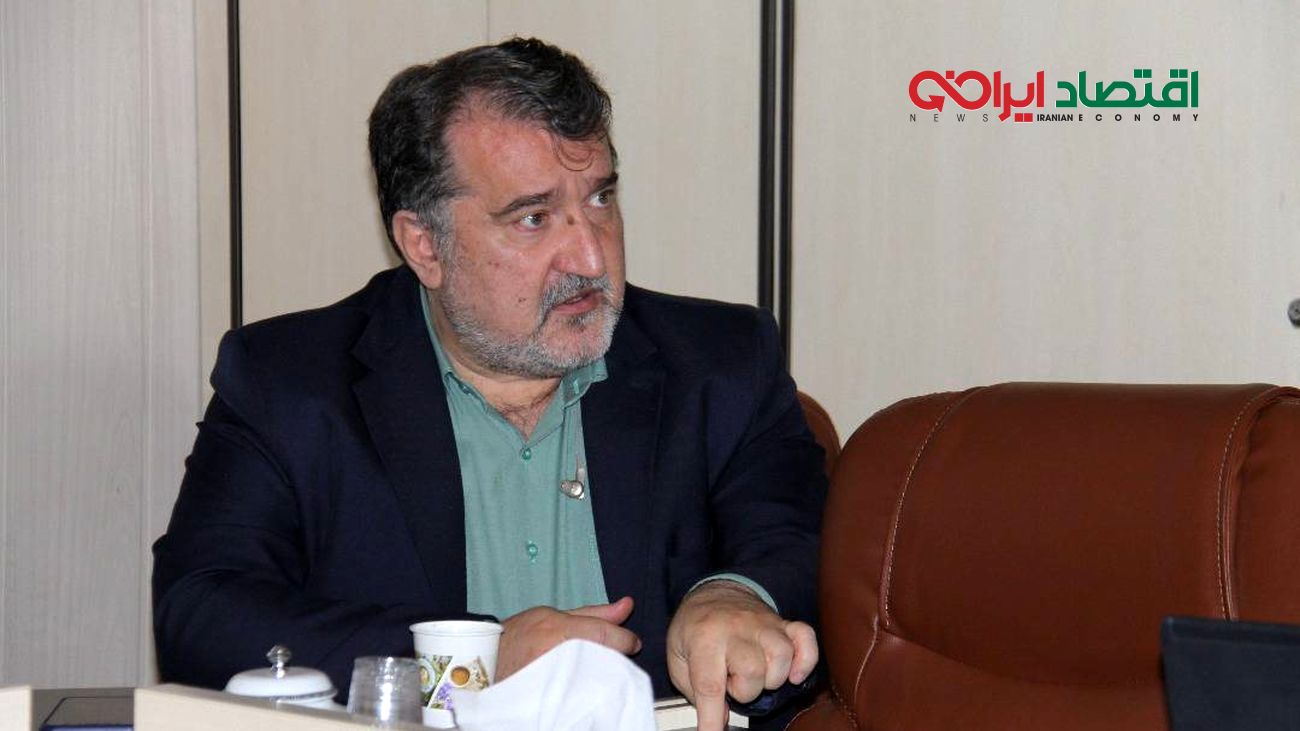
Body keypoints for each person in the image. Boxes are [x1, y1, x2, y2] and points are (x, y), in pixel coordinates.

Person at [152, 37, 825, 730]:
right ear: (425, 245)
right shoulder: (291, 383)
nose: (590, 256)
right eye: (533, 218)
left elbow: (804, 544)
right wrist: (474, 660)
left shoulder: (721, 363)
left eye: (600, 198)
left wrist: (739, 596)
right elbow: (202, 613)